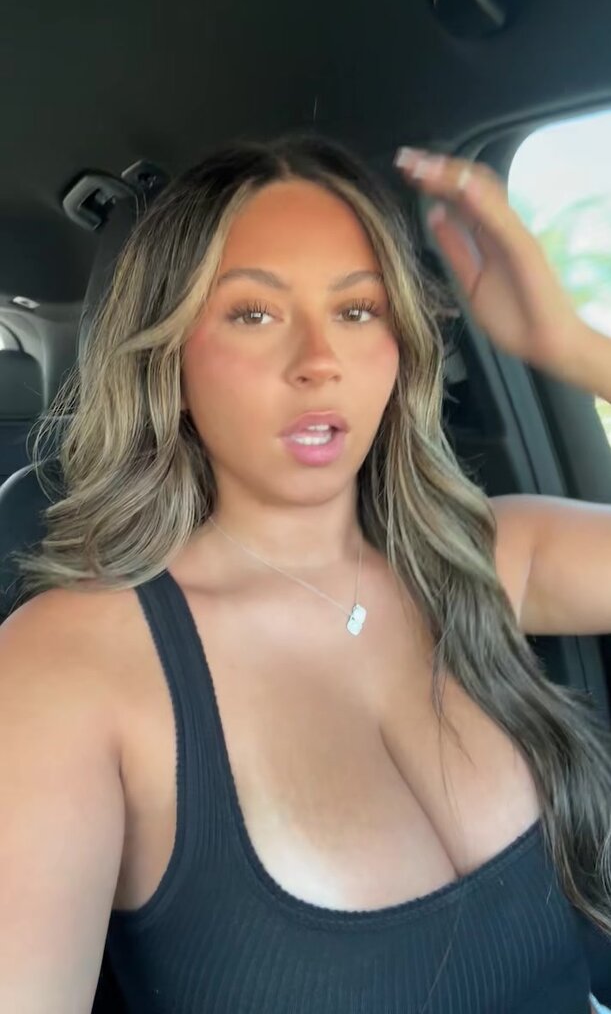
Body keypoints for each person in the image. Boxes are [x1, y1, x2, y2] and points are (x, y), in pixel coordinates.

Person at [1, 131, 610, 1013]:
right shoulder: (65, 663)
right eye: (254, 313)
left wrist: (572, 348)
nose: (318, 360)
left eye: (357, 311)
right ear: (168, 355)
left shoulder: (487, 556)